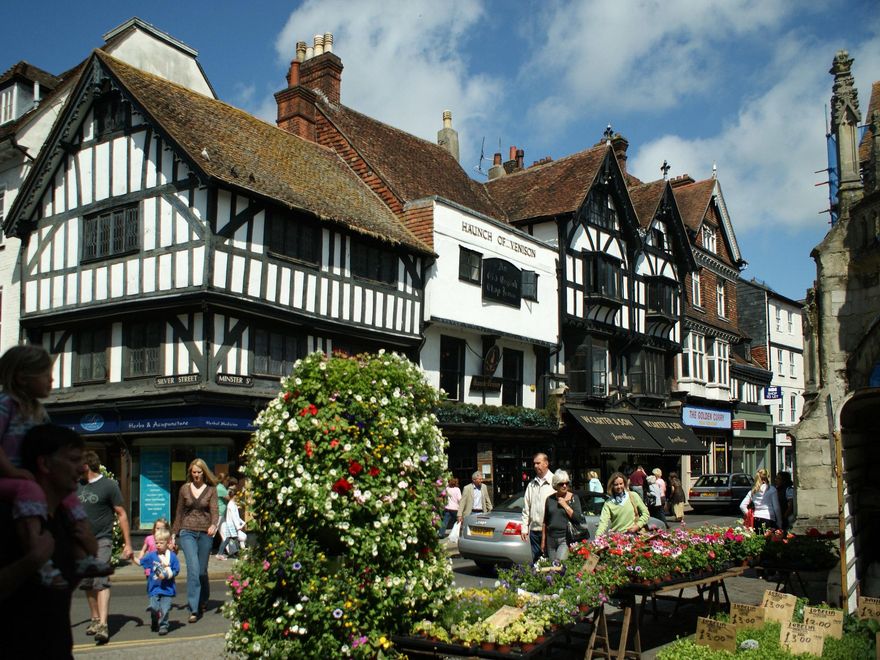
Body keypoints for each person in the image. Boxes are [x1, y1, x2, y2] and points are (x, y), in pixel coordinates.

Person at [0, 345, 100, 588]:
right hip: (12, 478)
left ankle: (82, 556)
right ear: (22, 377)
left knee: (71, 499)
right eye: (45, 374)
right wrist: (13, 472)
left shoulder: (39, 412)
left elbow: (51, 443)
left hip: (33, 478)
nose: (52, 379)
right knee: (29, 491)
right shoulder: (5, 404)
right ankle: (38, 553)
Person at [0, 424, 89, 658]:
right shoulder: (9, 518)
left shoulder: (66, 519)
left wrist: (86, 554)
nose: (82, 468)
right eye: (73, 459)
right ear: (45, 464)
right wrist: (31, 561)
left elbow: (59, 590)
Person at [79, 450, 134, 645]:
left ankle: (103, 625)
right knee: (87, 582)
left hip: (102, 540)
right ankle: (95, 619)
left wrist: (128, 544)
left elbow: (121, 513)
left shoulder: (109, 485)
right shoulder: (76, 485)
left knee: (100, 579)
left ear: (86, 465)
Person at [172, 458, 219, 623]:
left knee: (201, 571)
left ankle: (204, 598)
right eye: (194, 472)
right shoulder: (184, 489)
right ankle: (194, 608)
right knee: (193, 569)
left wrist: (214, 525)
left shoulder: (211, 490)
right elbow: (179, 513)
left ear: (204, 473)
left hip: (205, 533)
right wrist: (174, 534)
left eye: (199, 472)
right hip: (187, 532)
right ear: (190, 473)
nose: (196, 475)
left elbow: (215, 511)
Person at [134, 527, 179, 636]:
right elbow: (140, 562)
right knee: (154, 607)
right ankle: (154, 619)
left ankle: (163, 625)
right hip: (154, 588)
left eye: (161, 543)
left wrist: (166, 575)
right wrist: (131, 556)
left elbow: (176, 570)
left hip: (167, 589)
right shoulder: (151, 556)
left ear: (167, 543)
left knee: (165, 609)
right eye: (156, 542)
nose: (158, 545)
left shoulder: (172, 557)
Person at [542, 470, 583, 561]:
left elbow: (578, 518)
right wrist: (543, 541)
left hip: (565, 538)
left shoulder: (573, 498)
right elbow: (545, 521)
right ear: (555, 485)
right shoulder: (549, 499)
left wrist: (565, 505)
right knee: (552, 566)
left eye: (567, 483)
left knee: (559, 564)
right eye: (561, 484)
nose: (564, 486)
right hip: (551, 539)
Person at [520, 453, 555, 562]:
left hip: (550, 530)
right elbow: (526, 508)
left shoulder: (555, 482)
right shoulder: (531, 484)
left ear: (546, 463)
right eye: (534, 463)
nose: (535, 466)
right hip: (534, 531)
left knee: (551, 562)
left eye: (538, 463)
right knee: (536, 562)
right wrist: (524, 528)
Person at [595, 471, 649, 536]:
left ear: (624, 484)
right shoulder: (608, 503)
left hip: (633, 536)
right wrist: (597, 537)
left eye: (621, 484)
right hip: (617, 538)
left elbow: (646, 513)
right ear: (612, 486)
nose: (619, 486)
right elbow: (603, 522)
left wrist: (638, 525)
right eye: (616, 484)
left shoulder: (633, 496)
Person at [739, 468, 781, 533]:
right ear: (767, 477)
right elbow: (776, 508)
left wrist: (749, 515)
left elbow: (742, 506)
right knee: (769, 538)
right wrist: (779, 522)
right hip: (769, 518)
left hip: (756, 518)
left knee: (758, 538)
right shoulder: (772, 490)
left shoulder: (753, 491)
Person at [218, 485, 246, 560]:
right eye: (236, 496)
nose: (237, 498)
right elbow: (234, 517)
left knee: (228, 540)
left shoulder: (232, 504)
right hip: (232, 525)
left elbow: (236, 516)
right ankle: (242, 555)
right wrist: (238, 526)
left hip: (231, 525)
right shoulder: (231, 505)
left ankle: (220, 553)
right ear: (234, 496)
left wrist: (242, 522)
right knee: (239, 539)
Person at [214, 472, 229, 551]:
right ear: (224, 480)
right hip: (219, 513)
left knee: (225, 532)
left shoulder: (220, 487)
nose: (228, 482)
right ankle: (204, 548)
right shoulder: (220, 488)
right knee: (213, 531)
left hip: (221, 513)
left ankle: (231, 550)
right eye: (227, 480)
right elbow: (229, 498)